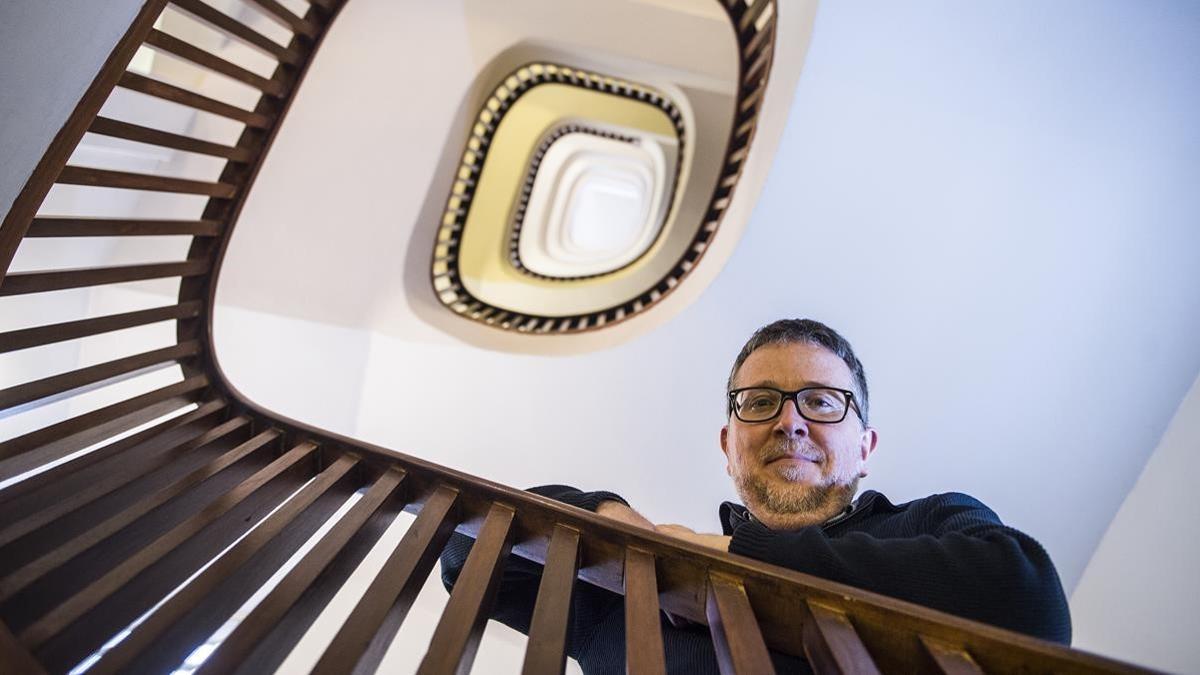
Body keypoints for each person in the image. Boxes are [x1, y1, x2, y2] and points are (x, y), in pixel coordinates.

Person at [440, 319, 1071, 673]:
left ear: (866, 447)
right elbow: (467, 557)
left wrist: (729, 556)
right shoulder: (638, 581)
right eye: (761, 402)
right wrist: (617, 524)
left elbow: (1031, 604)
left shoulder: (929, 526)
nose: (789, 422)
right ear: (729, 442)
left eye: (821, 401)